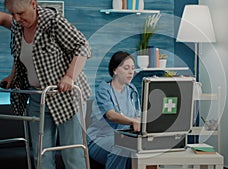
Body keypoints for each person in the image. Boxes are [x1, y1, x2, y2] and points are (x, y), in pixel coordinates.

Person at [0, 0, 91, 168]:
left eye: (20, 13)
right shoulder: (18, 26)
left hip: (66, 97)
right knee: (41, 155)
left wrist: (69, 77)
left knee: (71, 153)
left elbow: (82, 46)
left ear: (33, 4)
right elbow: (20, 54)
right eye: (13, 14)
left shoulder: (53, 22)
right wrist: (12, 77)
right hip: (38, 98)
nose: (17, 19)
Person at [87, 51, 141, 169]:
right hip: (100, 139)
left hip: (125, 137)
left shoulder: (132, 90)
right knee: (122, 146)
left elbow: (138, 116)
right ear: (115, 70)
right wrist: (132, 121)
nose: (131, 72)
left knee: (141, 149)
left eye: (133, 68)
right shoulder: (104, 89)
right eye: (126, 68)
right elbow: (111, 115)